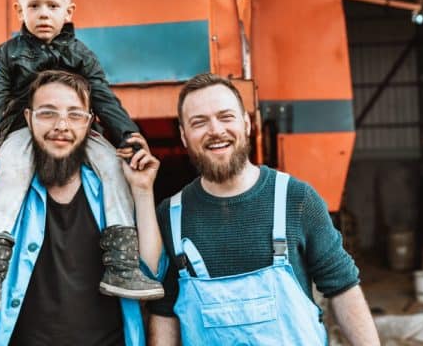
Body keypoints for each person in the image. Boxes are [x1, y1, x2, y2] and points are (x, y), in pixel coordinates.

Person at [0, 71, 164, 345]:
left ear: (89, 123)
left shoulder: (114, 185)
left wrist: (143, 191)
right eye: (48, 113)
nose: (62, 125)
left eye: (75, 114)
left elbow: (152, 273)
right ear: (28, 118)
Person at [0, 0, 163, 309]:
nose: (43, 14)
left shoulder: (82, 55)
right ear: (19, 11)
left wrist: (129, 135)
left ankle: (121, 265)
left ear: (68, 11)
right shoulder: (8, 54)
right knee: (10, 173)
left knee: (113, 169)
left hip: (80, 132)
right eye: (34, 6)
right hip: (26, 131)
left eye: (52, 6)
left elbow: (102, 96)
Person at [147, 73, 380, 345]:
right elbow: (164, 314)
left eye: (226, 117)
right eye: (199, 122)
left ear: (246, 123)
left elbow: (343, 289)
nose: (215, 130)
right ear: (184, 136)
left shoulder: (297, 199)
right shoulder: (171, 216)